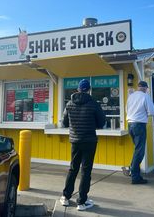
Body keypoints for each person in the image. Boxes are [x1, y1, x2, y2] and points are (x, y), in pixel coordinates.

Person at [60, 79, 105, 211]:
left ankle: (66, 197)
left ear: (78, 89)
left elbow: (65, 123)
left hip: (75, 141)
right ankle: (81, 202)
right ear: (89, 89)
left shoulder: (69, 103)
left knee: (73, 168)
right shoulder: (93, 104)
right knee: (86, 171)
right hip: (90, 141)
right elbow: (101, 122)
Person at [123, 80, 154, 184]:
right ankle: (135, 177)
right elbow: (152, 111)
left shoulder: (131, 96)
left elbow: (127, 110)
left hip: (130, 125)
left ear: (138, 87)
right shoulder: (145, 96)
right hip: (139, 125)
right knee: (140, 151)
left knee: (137, 149)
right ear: (145, 88)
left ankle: (131, 169)